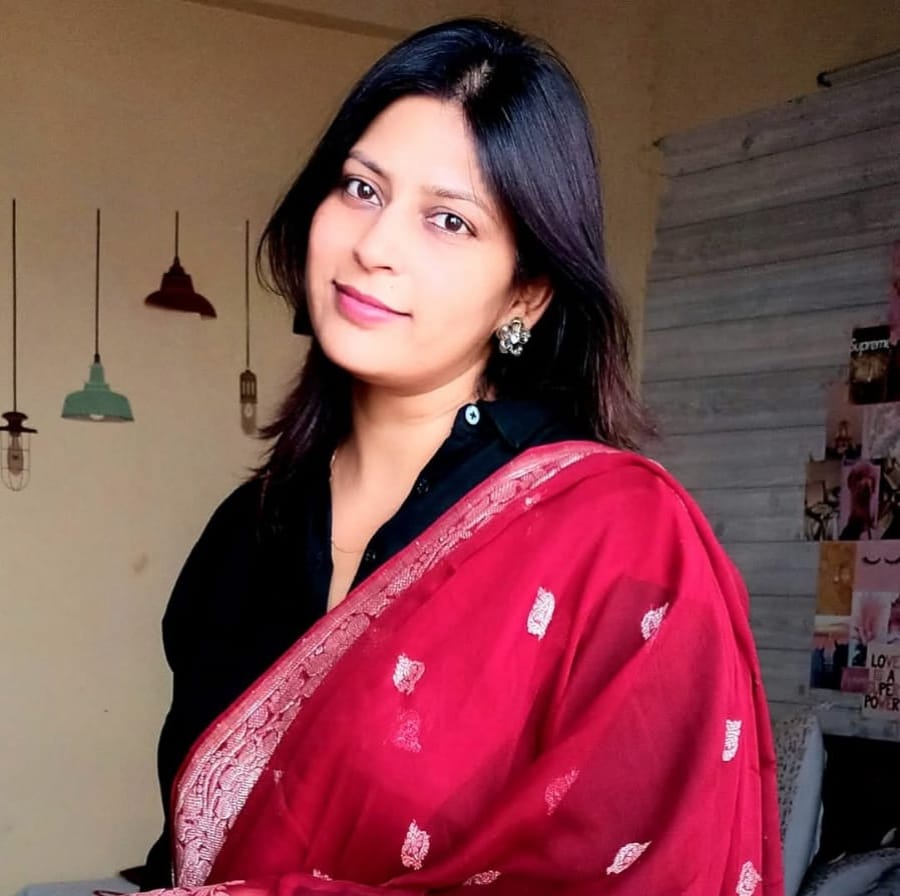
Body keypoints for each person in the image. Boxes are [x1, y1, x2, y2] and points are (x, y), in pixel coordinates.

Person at [140, 17, 783, 896]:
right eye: (361, 189)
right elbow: (189, 854)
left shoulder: (623, 543)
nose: (375, 247)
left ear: (528, 290)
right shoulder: (243, 535)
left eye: (448, 220)